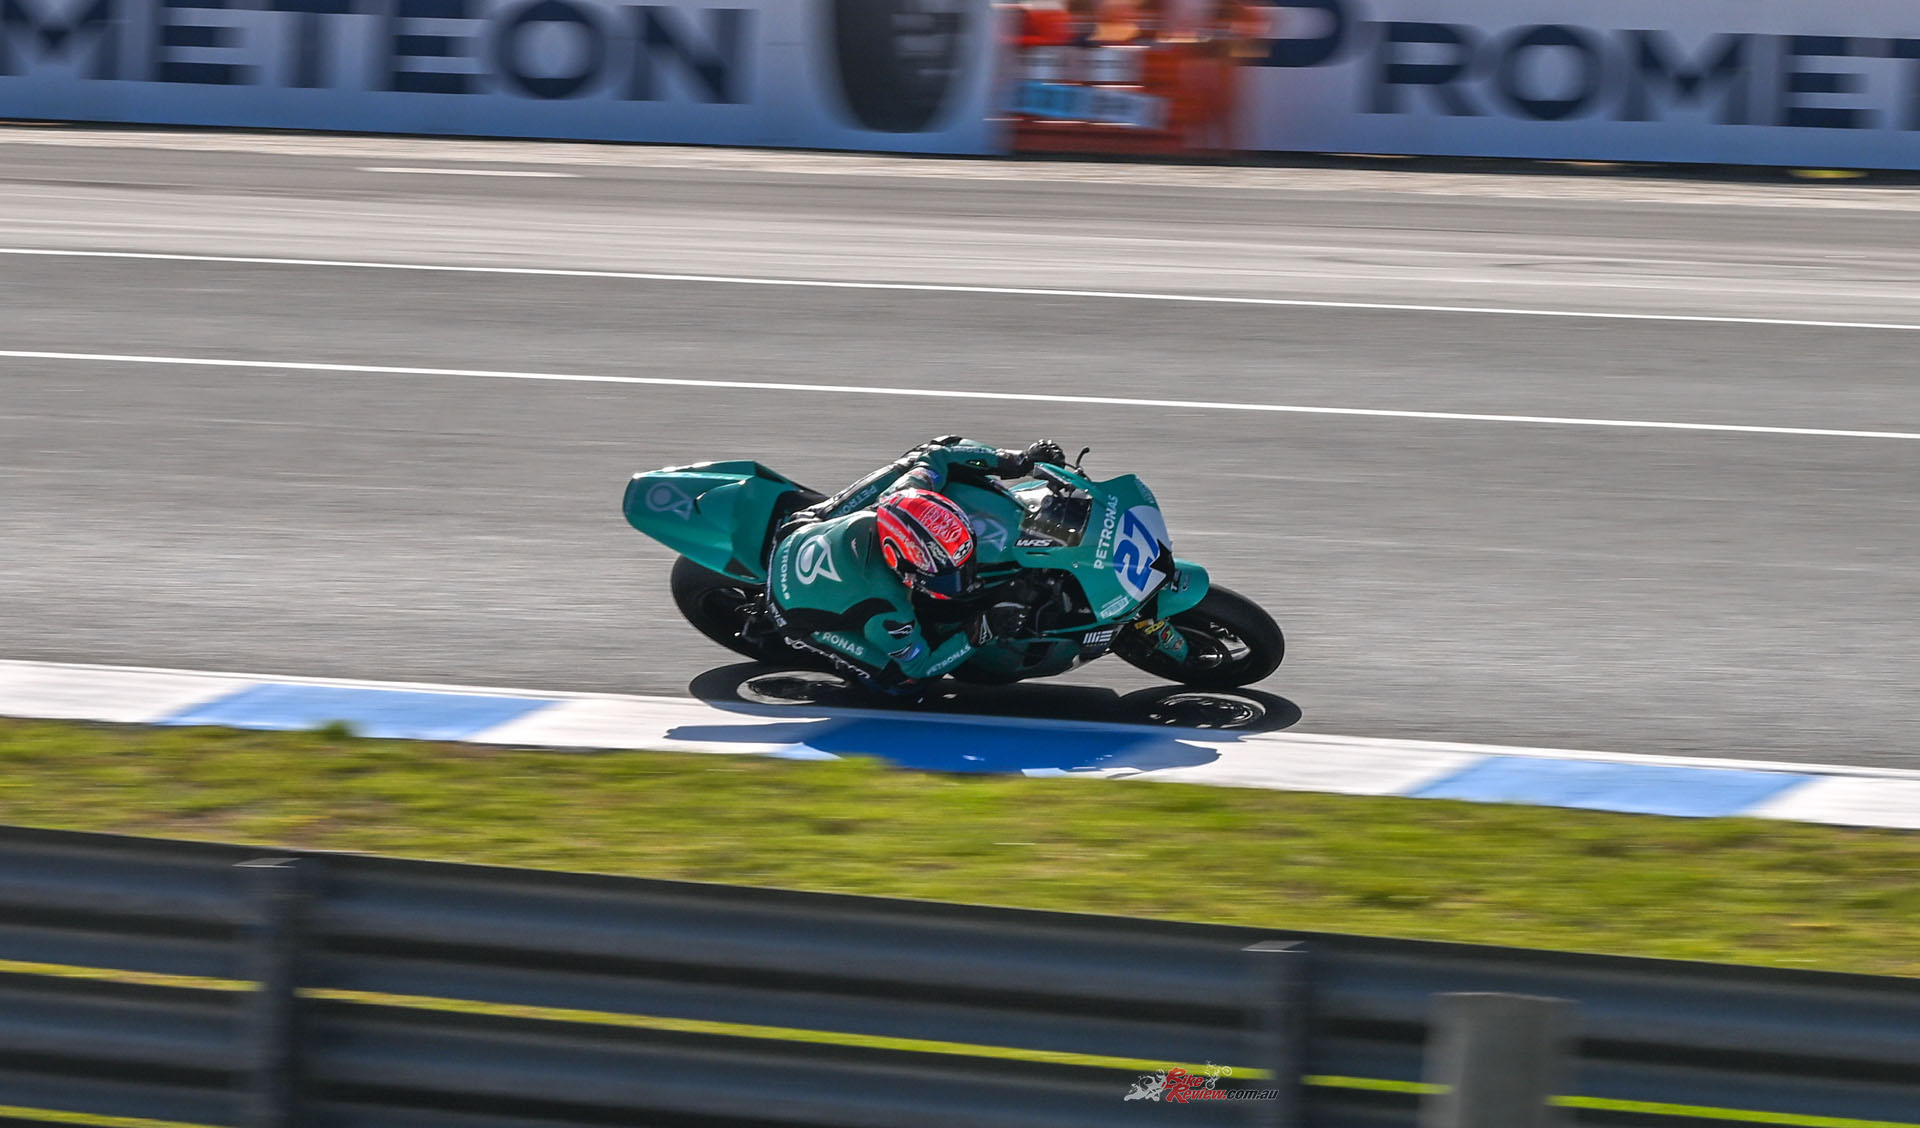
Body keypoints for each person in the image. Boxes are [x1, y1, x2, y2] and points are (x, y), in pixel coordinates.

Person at [762, 436, 1065, 695]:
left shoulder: (903, 495)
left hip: (803, 526)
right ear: (898, 561)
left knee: (924, 453)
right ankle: (838, 674)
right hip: (790, 608)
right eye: (945, 576)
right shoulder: (889, 611)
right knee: (903, 682)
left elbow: (940, 455)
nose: (963, 579)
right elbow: (920, 666)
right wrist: (982, 629)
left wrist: (1017, 461)